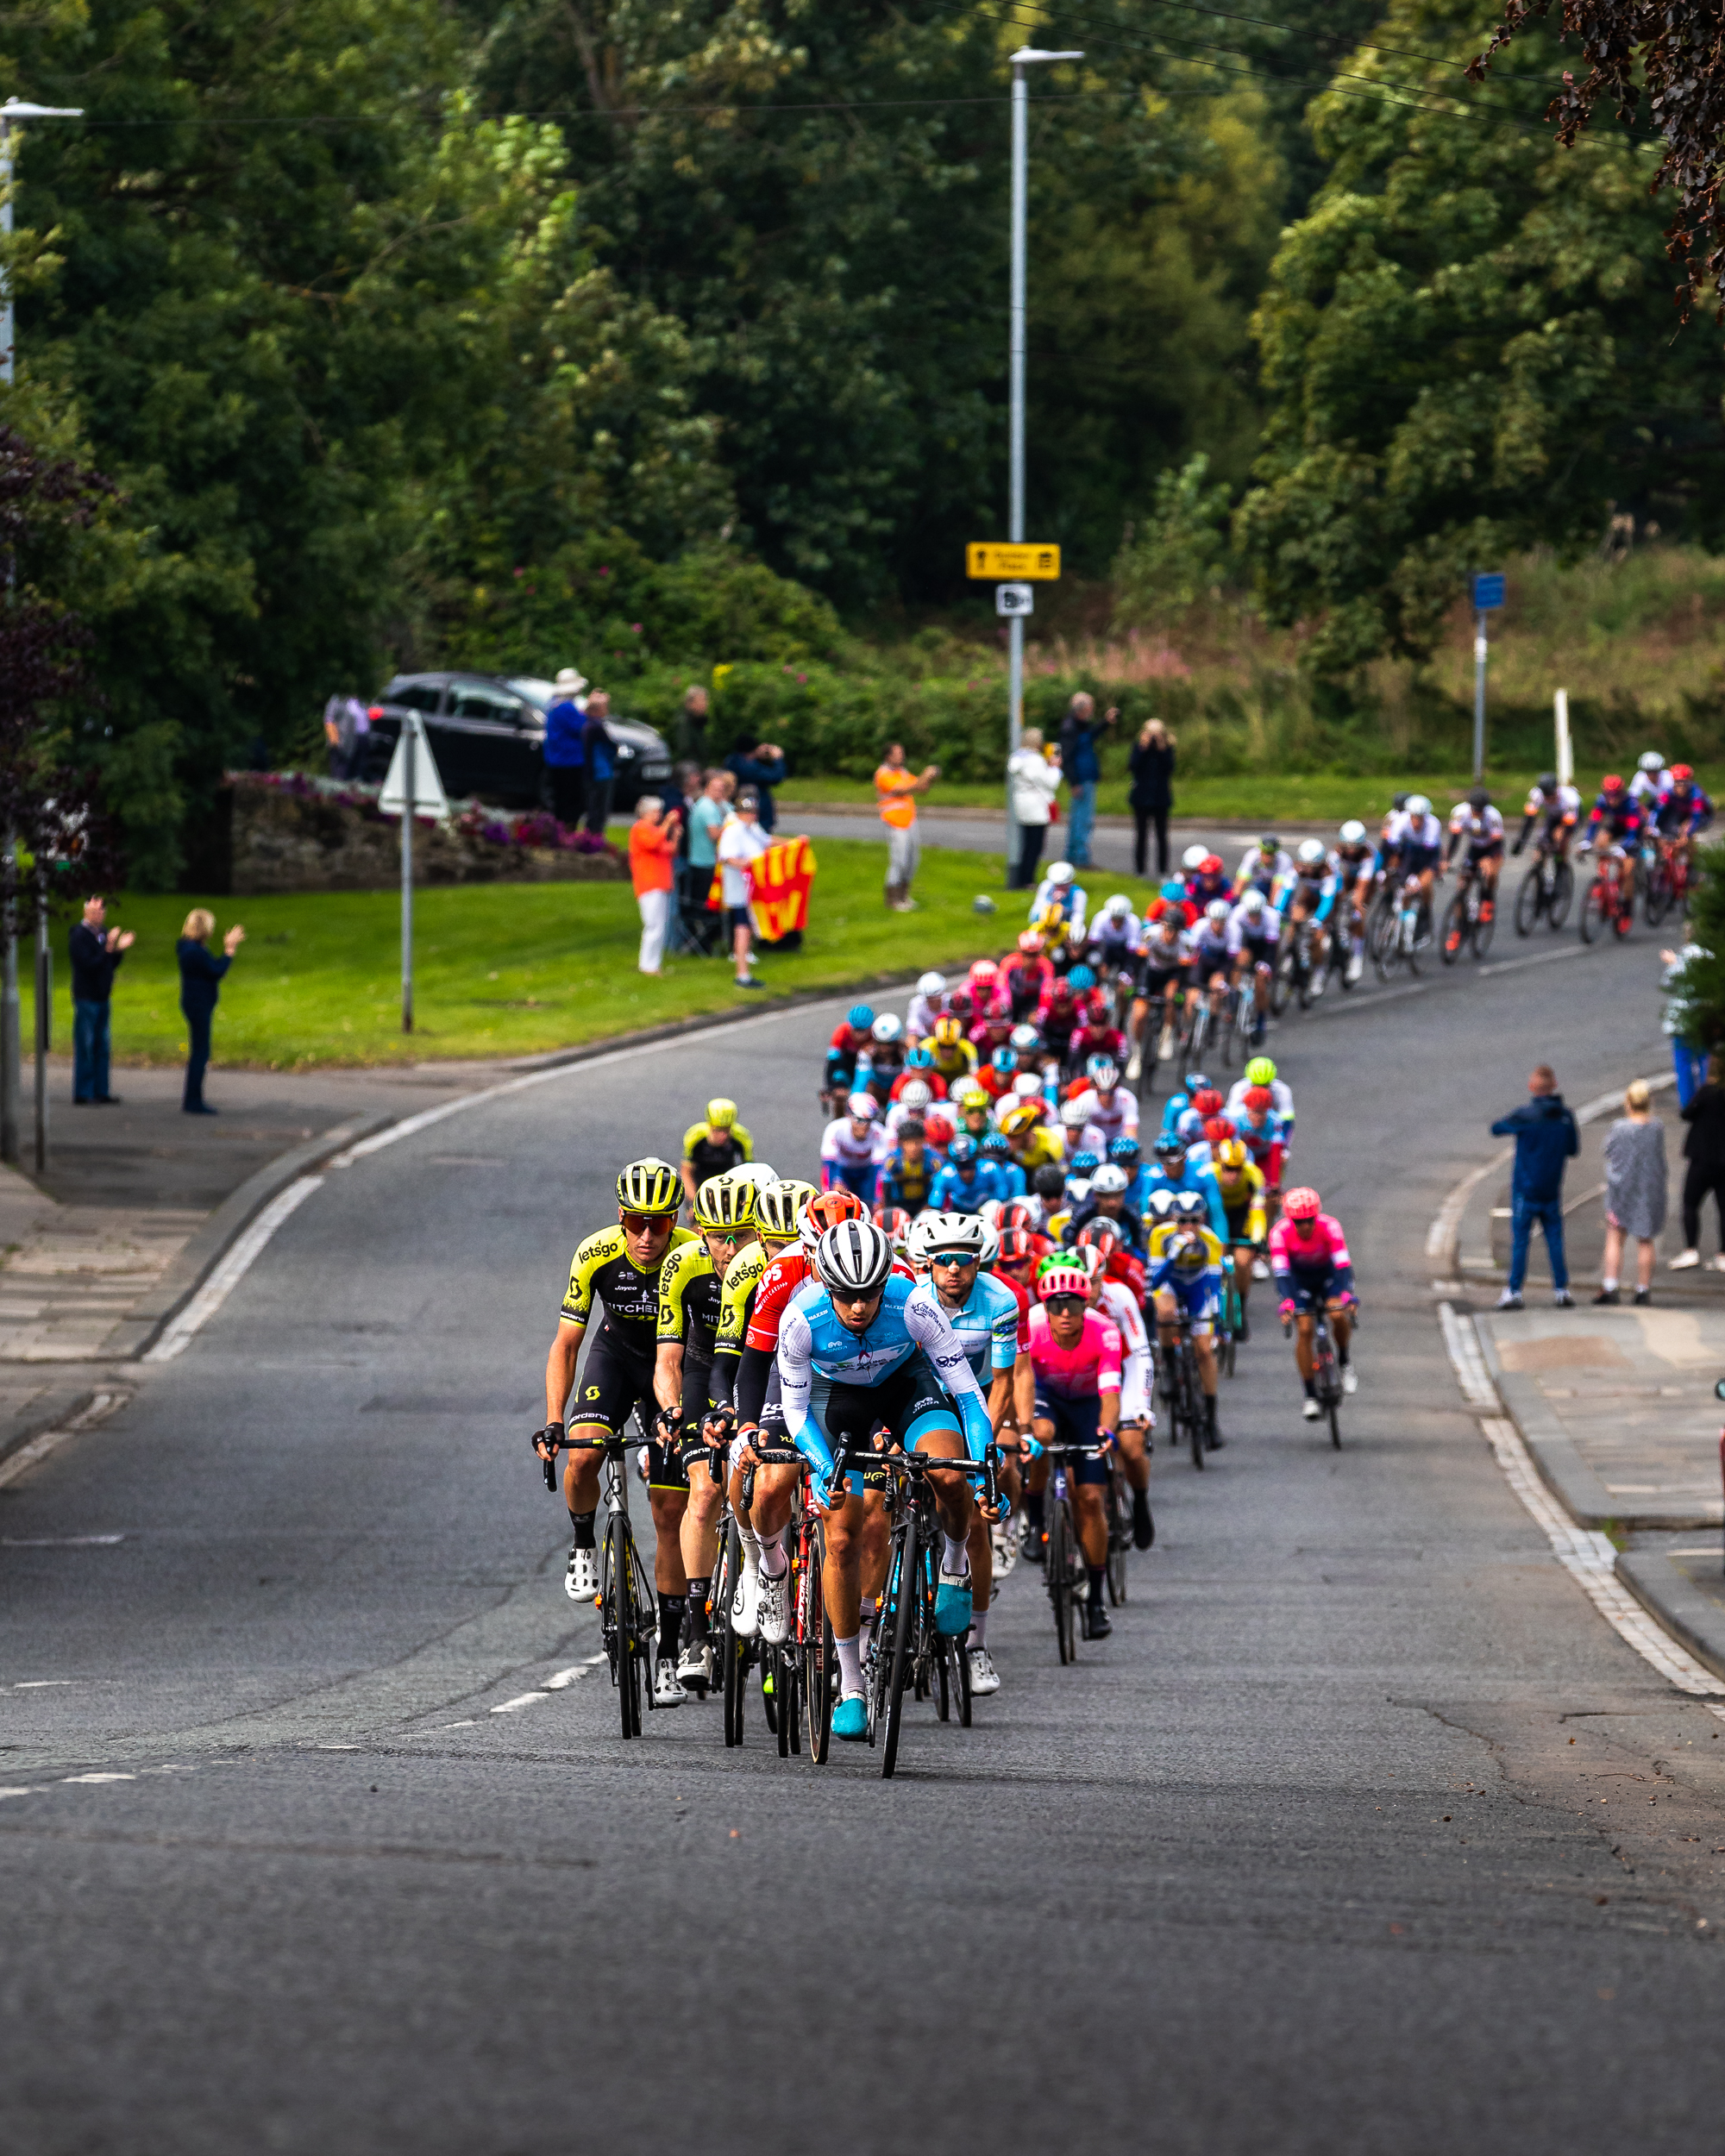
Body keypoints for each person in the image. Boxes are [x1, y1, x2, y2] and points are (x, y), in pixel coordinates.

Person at [779, 1217, 994, 1739]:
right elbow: (796, 1411)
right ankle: (851, 1684)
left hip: (905, 1386)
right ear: (826, 1286)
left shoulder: (915, 1304)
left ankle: (954, 1565)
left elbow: (966, 1393)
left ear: (885, 1284)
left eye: (870, 1294)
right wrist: (826, 1468)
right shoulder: (800, 1320)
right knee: (842, 1535)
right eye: (847, 1295)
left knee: (947, 1471)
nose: (859, 1307)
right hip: (836, 1403)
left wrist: (985, 1461)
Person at [1490, 1063, 1579, 1309]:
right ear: (1554, 1086)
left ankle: (1514, 1290)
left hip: (1525, 1189)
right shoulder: (1565, 1117)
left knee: (1520, 1241)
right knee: (1554, 1240)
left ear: (1532, 1087)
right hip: (1551, 1188)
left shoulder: (1525, 1115)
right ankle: (1561, 1289)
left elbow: (1496, 1128)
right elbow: (1573, 1149)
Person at [1267, 1187, 1358, 1417]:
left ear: (1316, 1216)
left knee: (1337, 1314)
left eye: (1309, 1220)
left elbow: (1343, 1264)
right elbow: (1281, 1273)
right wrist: (1287, 1301)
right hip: (1300, 1282)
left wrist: (1346, 1294)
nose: (1305, 1226)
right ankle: (1310, 1395)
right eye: (1299, 1222)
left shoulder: (1330, 1226)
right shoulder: (1279, 1233)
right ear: (1290, 1220)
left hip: (1328, 1278)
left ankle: (1345, 1362)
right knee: (1305, 1329)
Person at [1596, 1080, 1667, 1305]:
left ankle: (1610, 1286)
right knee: (1646, 1240)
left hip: (1622, 1189)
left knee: (1615, 1237)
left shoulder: (1620, 1128)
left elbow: (1607, 1150)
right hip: (1649, 1190)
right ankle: (1643, 1289)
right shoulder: (1657, 1128)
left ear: (1628, 1103)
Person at [176, 909, 245, 1116]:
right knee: (200, 1051)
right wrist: (229, 949)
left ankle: (193, 1098)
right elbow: (216, 971)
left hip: (195, 1001)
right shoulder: (194, 952)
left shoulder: (188, 947)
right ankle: (193, 1100)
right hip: (199, 1003)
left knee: (199, 1050)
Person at [68, 895, 134, 1106]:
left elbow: (108, 964)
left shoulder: (103, 933)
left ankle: (100, 1090)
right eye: (95, 910)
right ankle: (84, 1092)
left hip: (103, 995)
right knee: (86, 1045)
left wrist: (118, 949)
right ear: (85, 911)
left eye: (102, 911)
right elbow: (89, 964)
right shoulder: (79, 935)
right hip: (86, 996)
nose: (100, 914)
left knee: (102, 1046)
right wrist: (109, 948)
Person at [1672, 1061, 1725, 1271]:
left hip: (1702, 1158)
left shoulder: (1707, 1093)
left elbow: (1687, 1113)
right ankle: (1723, 1254)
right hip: (1724, 1161)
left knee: (1690, 1204)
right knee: (1723, 1208)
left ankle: (1691, 1250)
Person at [875, 741, 938, 912]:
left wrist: (930, 779)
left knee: (912, 861)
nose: (902, 756)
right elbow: (903, 790)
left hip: (909, 821)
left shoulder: (902, 772)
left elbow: (920, 788)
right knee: (899, 860)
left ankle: (904, 896)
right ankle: (893, 900)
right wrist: (925, 774)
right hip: (895, 823)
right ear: (888, 756)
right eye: (898, 753)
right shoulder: (883, 774)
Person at [1057, 692, 1117, 870]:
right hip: (1081, 779)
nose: (1092, 710)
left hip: (1085, 777)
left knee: (1079, 819)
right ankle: (1080, 858)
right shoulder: (1070, 728)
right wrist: (1074, 782)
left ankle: (1073, 856)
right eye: (1090, 706)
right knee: (1082, 820)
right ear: (1082, 709)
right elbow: (1066, 757)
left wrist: (1105, 722)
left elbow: (1090, 736)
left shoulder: (1080, 725)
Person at [716, 789, 769, 988]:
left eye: (753, 812)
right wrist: (749, 864)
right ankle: (742, 973)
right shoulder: (733, 830)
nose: (752, 815)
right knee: (742, 929)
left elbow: (767, 841)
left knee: (747, 929)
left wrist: (793, 842)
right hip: (740, 889)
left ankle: (745, 971)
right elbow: (728, 858)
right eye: (747, 812)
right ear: (739, 812)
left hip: (752, 890)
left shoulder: (751, 828)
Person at [628, 795, 680, 976]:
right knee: (653, 925)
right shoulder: (640, 829)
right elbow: (653, 843)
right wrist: (666, 825)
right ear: (645, 813)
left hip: (661, 881)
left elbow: (669, 850)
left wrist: (675, 837)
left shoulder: (653, 830)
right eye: (656, 811)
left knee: (660, 925)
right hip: (649, 882)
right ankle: (648, 965)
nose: (659, 815)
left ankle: (653, 963)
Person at [1007, 727, 1061, 890]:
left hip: (1022, 803)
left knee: (1026, 844)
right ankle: (1027, 880)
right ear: (1037, 743)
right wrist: (1055, 767)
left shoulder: (1016, 758)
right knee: (1035, 846)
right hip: (1036, 807)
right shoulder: (1035, 760)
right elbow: (1050, 783)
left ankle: (1023, 877)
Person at [1660, 943, 1711, 1107]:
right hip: (1703, 1017)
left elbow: (1667, 984)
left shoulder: (1679, 962)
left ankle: (1688, 1104)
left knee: (1683, 1064)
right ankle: (1709, 1100)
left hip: (1681, 1021)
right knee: (1705, 1060)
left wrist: (1672, 963)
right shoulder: (1711, 958)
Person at [681, 1096, 753, 1206]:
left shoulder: (742, 1138)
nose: (723, 1136)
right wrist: (694, 1202)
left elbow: (750, 1173)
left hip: (727, 1185)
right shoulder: (695, 1137)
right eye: (717, 1130)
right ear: (709, 1125)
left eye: (727, 1130)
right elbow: (686, 1173)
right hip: (700, 1183)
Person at [1129, 718, 1175, 880]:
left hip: (1160, 797)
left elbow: (1169, 768)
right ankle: (1140, 869)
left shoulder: (1167, 747)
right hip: (1141, 797)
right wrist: (1143, 747)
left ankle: (1162, 869)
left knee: (1162, 835)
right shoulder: (1139, 746)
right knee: (1141, 834)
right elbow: (1133, 765)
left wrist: (1162, 749)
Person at [543, 667, 587, 827]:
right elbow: (581, 727)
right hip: (569, 761)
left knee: (561, 798)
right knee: (572, 800)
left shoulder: (553, 705)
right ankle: (566, 832)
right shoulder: (565, 708)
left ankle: (561, 831)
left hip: (556, 759)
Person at [724, 739, 786, 832]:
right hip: (758, 812)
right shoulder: (750, 767)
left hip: (739, 805)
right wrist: (777, 759)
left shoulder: (731, 761)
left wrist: (757, 756)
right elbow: (775, 777)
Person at [580, 688, 616, 836]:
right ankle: (595, 839)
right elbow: (610, 746)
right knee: (599, 811)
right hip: (600, 773)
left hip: (595, 772)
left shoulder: (587, 724)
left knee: (593, 809)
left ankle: (591, 838)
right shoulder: (596, 727)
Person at [321, 693, 371, 779]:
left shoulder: (361, 702)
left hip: (361, 740)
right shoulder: (339, 699)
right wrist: (335, 741)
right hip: (343, 742)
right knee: (341, 773)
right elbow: (329, 719)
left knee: (356, 772)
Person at [676, 682, 709, 761]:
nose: (704, 704)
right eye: (701, 700)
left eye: (705, 700)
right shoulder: (684, 724)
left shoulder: (700, 722)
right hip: (689, 770)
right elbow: (686, 754)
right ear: (690, 704)